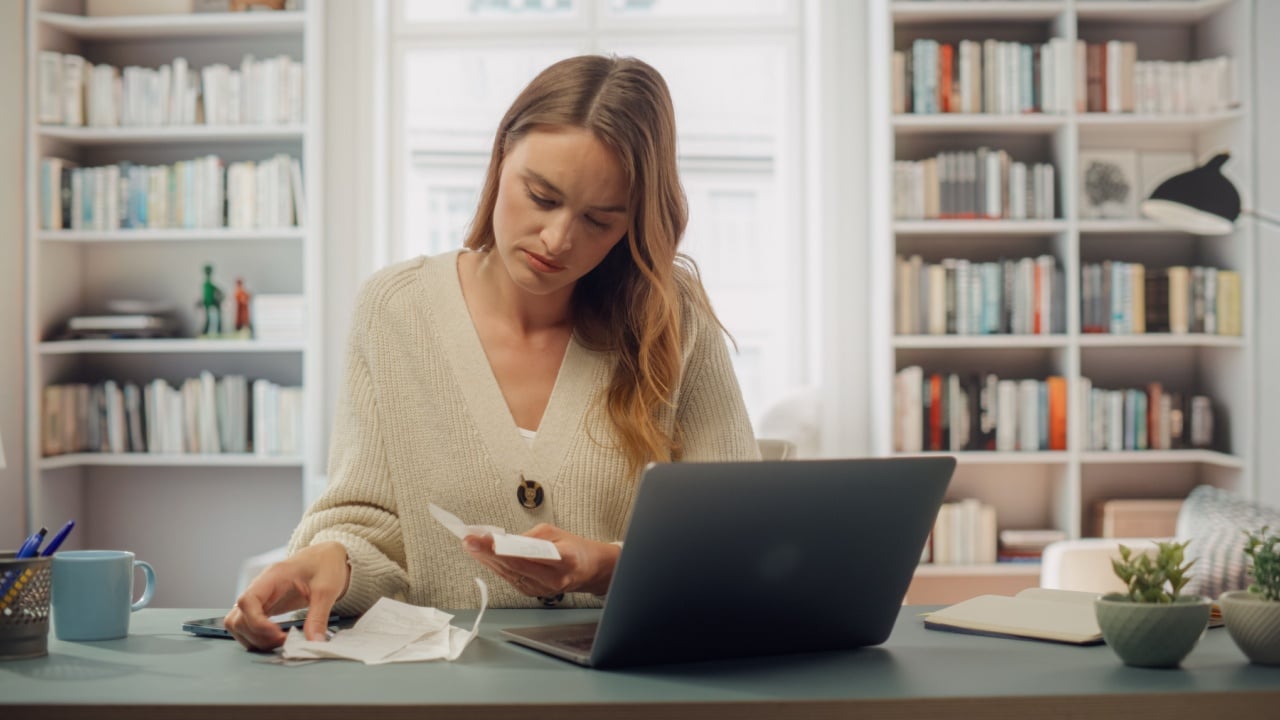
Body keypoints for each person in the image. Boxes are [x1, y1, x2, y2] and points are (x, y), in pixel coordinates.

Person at [224, 54, 759, 651]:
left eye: (599, 221)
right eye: (542, 196)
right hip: (444, 683)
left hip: (634, 679)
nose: (558, 239)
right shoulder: (394, 308)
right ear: (501, 156)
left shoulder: (673, 317)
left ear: (633, 223)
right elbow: (364, 522)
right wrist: (331, 559)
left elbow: (737, 539)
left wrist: (607, 567)